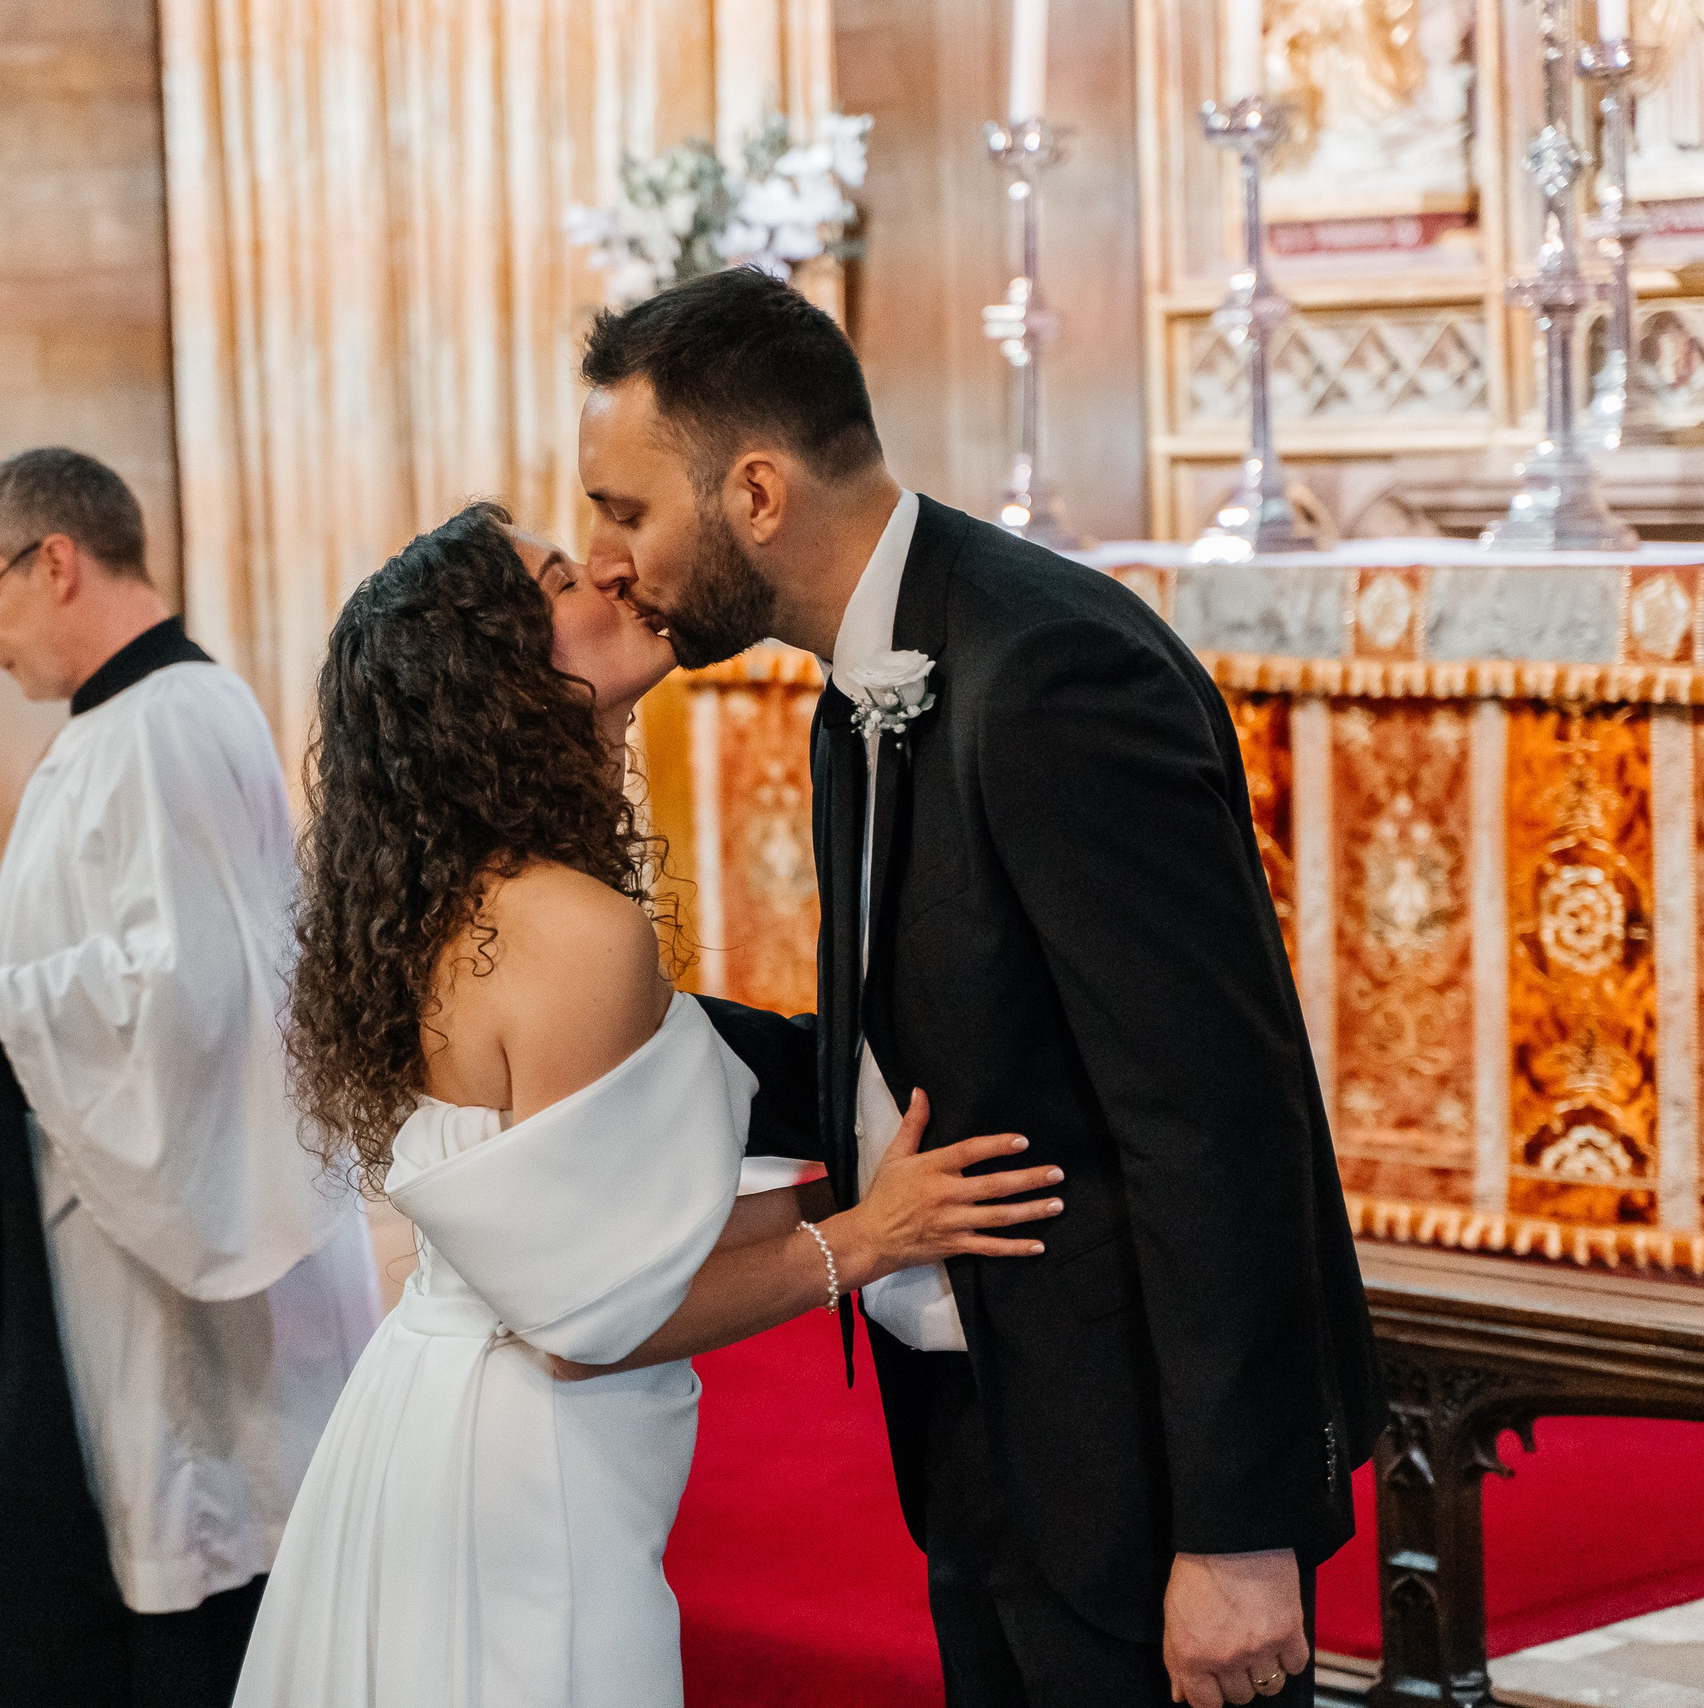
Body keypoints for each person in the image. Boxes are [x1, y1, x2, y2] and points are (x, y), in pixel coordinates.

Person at [575, 268, 1387, 1708]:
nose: (610, 557)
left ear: (756, 492)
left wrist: (1240, 1534)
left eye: (626, 510)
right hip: (982, 1415)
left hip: (1131, 1463)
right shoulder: (861, 686)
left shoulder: (1052, 671)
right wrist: (606, 1020)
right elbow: (932, 1041)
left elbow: (1217, 1113)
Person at [232, 502, 1064, 1706]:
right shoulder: (574, 931)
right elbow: (590, 1325)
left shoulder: (463, 903)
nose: (617, 581)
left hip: (424, 1415)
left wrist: (851, 1173)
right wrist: (872, 1237)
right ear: (507, 677)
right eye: (569, 578)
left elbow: (593, 1243)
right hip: (524, 1478)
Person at [0, 448, 381, 1708]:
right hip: (124, 1202)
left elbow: (186, 992)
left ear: (57, 562)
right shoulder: (145, 717)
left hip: (170, 1244)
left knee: (200, 1545)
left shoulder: (158, 727)